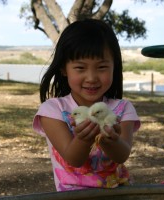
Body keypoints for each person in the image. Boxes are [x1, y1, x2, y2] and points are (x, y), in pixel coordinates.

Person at [32, 19, 140, 191]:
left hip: (118, 193)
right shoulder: (53, 110)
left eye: (102, 67)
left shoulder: (123, 108)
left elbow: (121, 155)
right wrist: (84, 138)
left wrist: (110, 139)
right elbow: (74, 159)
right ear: (63, 69)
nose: (91, 78)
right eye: (80, 68)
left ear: (114, 67)